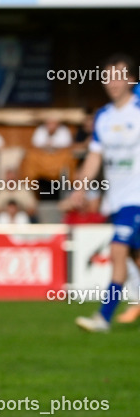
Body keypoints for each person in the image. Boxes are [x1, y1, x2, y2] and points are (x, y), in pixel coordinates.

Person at [69, 54, 140, 332]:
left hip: (137, 198)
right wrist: (80, 187)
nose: (113, 82)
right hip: (117, 200)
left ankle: (103, 317)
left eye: (120, 75)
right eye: (108, 76)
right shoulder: (103, 117)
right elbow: (94, 157)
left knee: (117, 251)